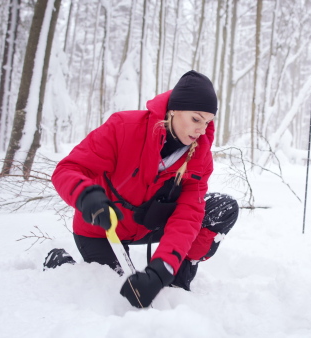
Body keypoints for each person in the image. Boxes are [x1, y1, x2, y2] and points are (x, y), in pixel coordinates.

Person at [49, 70, 239, 308]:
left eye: (208, 122)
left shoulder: (199, 157)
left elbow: (188, 215)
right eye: (196, 119)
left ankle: (178, 278)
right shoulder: (124, 128)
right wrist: (87, 197)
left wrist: (162, 270)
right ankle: (60, 263)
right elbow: (68, 169)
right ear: (173, 110)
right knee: (113, 291)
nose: (202, 130)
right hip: (103, 226)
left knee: (222, 208)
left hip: (149, 226)